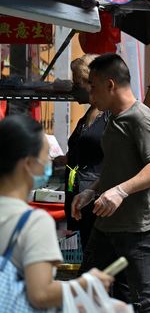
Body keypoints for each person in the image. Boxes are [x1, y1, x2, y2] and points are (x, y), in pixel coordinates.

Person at [72, 53, 150, 312]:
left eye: (93, 87)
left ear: (110, 85)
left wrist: (120, 191)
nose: (90, 94)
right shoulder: (113, 117)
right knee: (86, 291)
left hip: (139, 229)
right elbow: (115, 166)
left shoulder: (141, 117)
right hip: (106, 225)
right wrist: (92, 192)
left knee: (144, 301)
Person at [0, 115, 114, 310]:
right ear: (28, 164)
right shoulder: (33, 222)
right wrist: (85, 284)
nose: (49, 165)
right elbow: (41, 294)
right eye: (46, 158)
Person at [65, 54, 108, 252]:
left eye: (77, 82)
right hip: (80, 196)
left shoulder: (109, 116)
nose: (73, 87)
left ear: (90, 83)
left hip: (97, 199)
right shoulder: (87, 116)